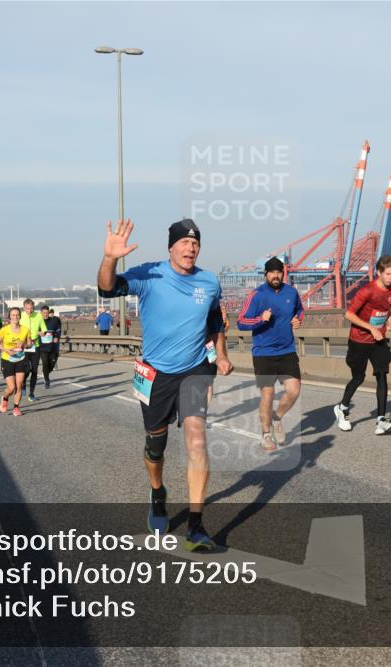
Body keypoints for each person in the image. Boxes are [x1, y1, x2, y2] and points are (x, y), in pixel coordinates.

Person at [97, 217, 233, 552]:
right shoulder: (149, 274)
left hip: (195, 370)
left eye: (196, 242)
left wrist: (222, 355)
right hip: (156, 374)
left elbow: (216, 321)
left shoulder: (209, 282)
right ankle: (158, 493)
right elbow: (106, 288)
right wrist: (110, 258)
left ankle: (196, 526)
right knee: (155, 446)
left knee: (197, 440)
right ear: (171, 247)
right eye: (184, 242)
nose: (191, 247)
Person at [237, 257, 304, 452]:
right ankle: (266, 435)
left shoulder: (291, 292)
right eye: (272, 272)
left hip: (287, 350)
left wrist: (297, 320)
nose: (276, 275)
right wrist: (260, 319)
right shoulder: (256, 295)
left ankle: (277, 417)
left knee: (294, 390)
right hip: (263, 353)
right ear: (265, 274)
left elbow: (300, 310)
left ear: (283, 273)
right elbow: (241, 322)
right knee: (268, 393)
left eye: (279, 272)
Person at [333, 255, 391, 435]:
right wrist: (371, 328)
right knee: (358, 378)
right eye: (388, 274)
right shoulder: (367, 291)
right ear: (379, 273)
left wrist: (390, 319)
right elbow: (349, 314)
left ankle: (381, 419)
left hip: (378, 340)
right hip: (359, 340)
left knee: (382, 375)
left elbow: (385, 309)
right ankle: (342, 408)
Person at [0, 307, 30, 417]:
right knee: (11, 388)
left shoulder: (25, 329)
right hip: (7, 359)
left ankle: (16, 408)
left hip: (20, 359)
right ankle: (5, 398)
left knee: (19, 385)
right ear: (9, 317)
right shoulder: (4, 329)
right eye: (13, 315)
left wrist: (24, 344)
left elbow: (30, 343)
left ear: (20, 316)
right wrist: (6, 350)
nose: (15, 317)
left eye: (17, 315)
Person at [21, 299, 48, 402]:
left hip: (35, 346)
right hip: (24, 347)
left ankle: (31, 394)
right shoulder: (21, 316)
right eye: (27, 308)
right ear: (24, 308)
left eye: (31, 308)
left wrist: (42, 333)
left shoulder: (38, 315)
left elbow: (44, 329)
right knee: (26, 369)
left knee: (35, 371)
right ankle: (23, 383)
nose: (30, 310)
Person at [38, 305, 60, 389]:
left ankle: (45, 373)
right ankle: (47, 380)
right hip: (42, 347)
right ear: (41, 313)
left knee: (52, 364)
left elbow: (58, 330)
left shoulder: (54, 321)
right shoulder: (39, 322)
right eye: (43, 313)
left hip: (52, 347)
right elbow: (33, 331)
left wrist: (56, 337)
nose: (45, 314)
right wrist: (38, 333)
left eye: (47, 313)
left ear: (49, 312)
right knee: (45, 363)